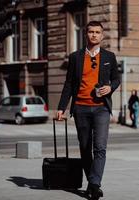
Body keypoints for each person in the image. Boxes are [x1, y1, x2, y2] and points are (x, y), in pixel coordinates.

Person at [56, 21, 120, 200]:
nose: (94, 35)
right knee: (85, 148)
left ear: (102, 35)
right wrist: (62, 107)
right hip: (81, 109)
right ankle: (93, 184)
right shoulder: (75, 57)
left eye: (97, 32)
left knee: (100, 147)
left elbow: (116, 79)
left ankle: (94, 184)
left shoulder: (109, 56)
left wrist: (110, 88)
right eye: (91, 32)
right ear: (86, 34)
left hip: (101, 109)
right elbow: (69, 84)